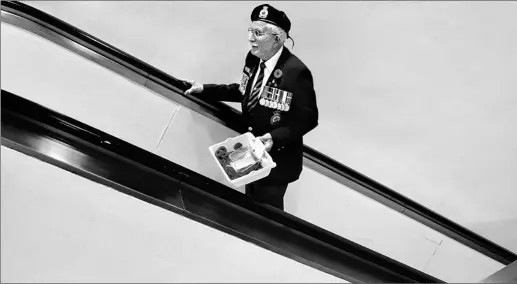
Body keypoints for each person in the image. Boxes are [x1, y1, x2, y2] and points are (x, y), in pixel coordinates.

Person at [184, 4, 318, 211]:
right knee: (251, 205)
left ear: (277, 39)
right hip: (251, 152)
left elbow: (308, 118)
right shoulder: (253, 58)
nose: (251, 38)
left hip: (277, 160)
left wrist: (275, 138)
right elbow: (244, 90)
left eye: (258, 33)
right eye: (250, 31)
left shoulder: (296, 72)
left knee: (268, 215)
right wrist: (205, 89)